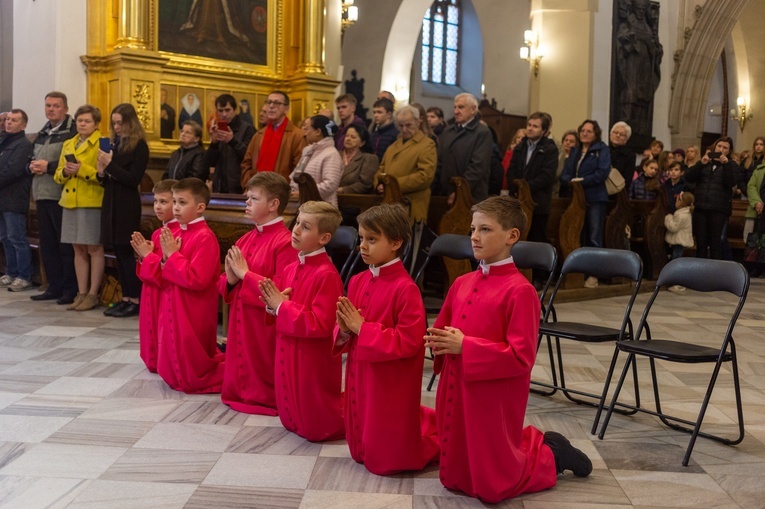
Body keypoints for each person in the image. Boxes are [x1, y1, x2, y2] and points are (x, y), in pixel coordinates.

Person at [424, 196, 591, 504]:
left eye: (485, 229)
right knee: (453, 477)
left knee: (492, 487)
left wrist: (466, 346)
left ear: (512, 236)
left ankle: (551, 454)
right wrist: (438, 342)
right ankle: (530, 444)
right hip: (457, 385)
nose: (474, 236)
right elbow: (444, 332)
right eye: (473, 228)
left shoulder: (521, 291)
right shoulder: (460, 283)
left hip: (494, 393)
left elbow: (521, 357)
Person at [334, 203, 439, 474]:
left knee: (386, 458)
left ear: (395, 242)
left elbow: (408, 342)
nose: (363, 246)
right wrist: (345, 329)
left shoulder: (406, 289)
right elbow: (348, 331)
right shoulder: (357, 280)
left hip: (388, 384)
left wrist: (361, 327)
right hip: (361, 373)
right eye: (361, 238)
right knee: (361, 446)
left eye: (372, 239)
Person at [258, 201, 345, 442]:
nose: (295, 230)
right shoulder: (290, 266)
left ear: (324, 237)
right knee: (291, 412)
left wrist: (282, 306)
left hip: (311, 359)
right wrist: (272, 305)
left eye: (305, 227)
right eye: (297, 222)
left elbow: (320, 324)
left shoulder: (326, 275)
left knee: (314, 424)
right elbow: (280, 307)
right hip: (288, 347)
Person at [219, 172, 296, 414]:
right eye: (247, 198)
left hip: (263, 325)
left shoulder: (285, 242)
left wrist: (244, 276)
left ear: (274, 205)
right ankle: (239, 391)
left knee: (261, 369)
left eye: (253, 198)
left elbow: (282, 290)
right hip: (241, 318)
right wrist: (230, 281)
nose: (247, 203)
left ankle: (262, 396)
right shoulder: (244, 238)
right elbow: (226, 282)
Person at [156, 178, 224, 393]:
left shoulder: (205, 237)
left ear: (200, 207)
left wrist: (173, 256)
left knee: (192, 362)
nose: (175, 207)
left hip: (193, 307)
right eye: (174, 201)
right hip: (173, 301)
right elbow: (165, 272)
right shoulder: (176, 233)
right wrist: (165, 259)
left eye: (182, 202)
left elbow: (198, 279)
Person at [97, 103, 149, 318]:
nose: (116, 127)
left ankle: (136, 300)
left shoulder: (140, 146)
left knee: (127, 253)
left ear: (130, 122)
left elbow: (133, 178)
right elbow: (105, 181)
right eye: (114, 123)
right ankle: (125, 297)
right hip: (111, 202)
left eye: (120, 122)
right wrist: (101, 172)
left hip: (127, 203)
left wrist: (109, 165)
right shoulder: (115, 144)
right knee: (118, 252)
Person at [27, 92, 78, 303]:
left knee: (64, 245)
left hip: (61, 195)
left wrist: (48, 167)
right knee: (47, 245)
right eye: (48, 105)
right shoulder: (42, 132)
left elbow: (74, 164)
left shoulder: (72, 131)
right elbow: (31, 158)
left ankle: (69, 289)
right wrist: (30, 165)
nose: (51, 109)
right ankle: (53, 286)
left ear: (65, 108)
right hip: (41, 194)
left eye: (56, 106)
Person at [54, 105, 105, 311]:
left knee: (93, 247)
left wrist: (82, 169)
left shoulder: (102, 143)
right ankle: (81, 293)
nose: (82, 124)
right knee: (77, 248)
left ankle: (93, 294)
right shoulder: (68, 143)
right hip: (70, 201)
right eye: (79, 121)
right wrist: (65, 172)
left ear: (96, 124)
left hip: (91, 200)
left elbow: (104, 175)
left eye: (87, 121)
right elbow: (57, 175)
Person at [130, 179, 178, 372]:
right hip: (150, 292)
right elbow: (151, 271)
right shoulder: (159, 232)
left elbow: (167, 273)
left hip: (163, 294)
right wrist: (143, 258)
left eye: (163, 202)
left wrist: (147, 256)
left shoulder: (175, 233)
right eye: (156, 201)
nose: (157, 207)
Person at [560, 120, 611, 288]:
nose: (585, 133)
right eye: (583, 130)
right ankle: (578, 272)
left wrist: (582, 181)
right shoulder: (575, 151)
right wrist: (571, 181)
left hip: (595, 197)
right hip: (576, 198)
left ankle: (593, 274)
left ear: (596, 134)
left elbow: (602, 173)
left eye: (589, 131)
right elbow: (566, 173)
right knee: (577, 234)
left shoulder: (601, 149)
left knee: (594, 236)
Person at [506, 112, 559, 259]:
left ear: (544, 131)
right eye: (529, 125)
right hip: (518, 201)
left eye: (535, 126)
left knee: (537, 240)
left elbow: (547, 176)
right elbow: (511, 170)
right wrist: (516, 187)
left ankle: (539, 277)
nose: (530, 128)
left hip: (538, 203)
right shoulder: (520, 146)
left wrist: (525, 188)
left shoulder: (550, 149)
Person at [374, 105, 437, 223]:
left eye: (408, 125)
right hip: (389, 204)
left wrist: (392, 185)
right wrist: (378, 184)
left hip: (411, 205)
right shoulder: (393, 146)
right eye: (401, 126)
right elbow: (381, 169)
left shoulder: (427, 145)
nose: (404, 129)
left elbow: (425, 176)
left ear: (418, 122)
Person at [434, 93, 493, 205]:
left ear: (473, 110)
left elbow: (477, 167)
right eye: (455, 107)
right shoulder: (448, 131)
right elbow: (439, 162)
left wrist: (460, 191)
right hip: (445, 193)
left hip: (470, 195)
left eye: (461, 107)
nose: (456, 111)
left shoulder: (482, 133)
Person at [684, 136, 737, 259]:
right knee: (701, 243)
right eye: (719, 146)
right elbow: (689, 177)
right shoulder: (705, 162)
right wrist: (701, 164)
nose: (721, 149)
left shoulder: (731, 165)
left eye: (725, 148)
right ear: (714, 147)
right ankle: (700, 273)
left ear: (729, 151)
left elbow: (731, 183)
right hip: (701, 208)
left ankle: (714, 274)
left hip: (718, 210)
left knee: (715, 243)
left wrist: (726, 165)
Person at [0, 110, 35, 292]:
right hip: (2, 198)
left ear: (23, 125)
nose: (9, 123)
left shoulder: (23, 145)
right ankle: (11, 272)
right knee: (5, 237)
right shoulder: (5, 142)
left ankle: (24, 276)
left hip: (14, 198)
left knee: (17, 238)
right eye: (7, 120)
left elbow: (12, 171)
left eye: (14, 120)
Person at [240, 91, 305, 186]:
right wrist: (249, 186)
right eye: (268, 102)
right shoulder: (259, 135)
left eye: (277, 103)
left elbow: (298, 168)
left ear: (286, 109)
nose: (271, 106)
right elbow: (247, 164)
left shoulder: (297, 135)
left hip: (282, 192)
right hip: (257, 191)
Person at [289, 116, 343, 207]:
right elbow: (296, 175)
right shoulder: (308, 151)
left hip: (323, 208)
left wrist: (302, 193)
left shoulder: (331, 154)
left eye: (308, 128)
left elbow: (330, 184)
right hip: (304, 205)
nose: (305, 133)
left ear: (318, 132)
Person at [207, 93, 255, 194]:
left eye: (227, 110)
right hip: (220, 186)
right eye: (220, 111)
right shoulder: (217, 129)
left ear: (235, 110)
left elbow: (250, 157)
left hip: (239, 186)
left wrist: (232, 141)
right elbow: (210, 162)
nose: (224, 114)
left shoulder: (247, 128)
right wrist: (214, 143)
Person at [337, 124, 378, 195]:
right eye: (346, 136)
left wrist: (343, 190)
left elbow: (366, 184)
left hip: (353, 200)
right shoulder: (336, 154)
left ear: (362, 143)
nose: (348, 139)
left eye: (353, 137)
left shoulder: (368, 158)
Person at [665, 191, 694, 262]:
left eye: (677, 200)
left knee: (676, 259)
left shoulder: (682, 215)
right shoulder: (684, 213)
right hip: (679, 240)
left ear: (681, 203)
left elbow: (673, 227)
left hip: (680, 241)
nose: (676, 201)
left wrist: (668, 218)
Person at [744, 161, 765, 247]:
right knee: (752, 243)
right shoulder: (760, 170)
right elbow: (751, 186)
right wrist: (757, 202)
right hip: (758, 210)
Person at [609, 121, 634, 187]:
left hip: (619, 190)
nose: (618, 135)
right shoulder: (604, 151)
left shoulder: (630, 155)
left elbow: (627, 179)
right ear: (610, 134)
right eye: (615, 132)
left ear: (627, 139)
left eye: (622, 134)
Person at [554, 130, 578, 198]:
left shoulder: (576, 158)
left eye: (571, 141)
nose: (567, 143)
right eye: (566, 140)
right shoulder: (557, 155)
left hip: (568, 190)